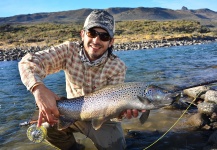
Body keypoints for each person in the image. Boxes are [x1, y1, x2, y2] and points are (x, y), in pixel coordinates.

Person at [19, 10, 142, 150]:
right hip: (69, 112)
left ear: (111, 42)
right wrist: (38, 88)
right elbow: (28, 62)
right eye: (92, 33)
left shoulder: (117, 66)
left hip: (103, 118)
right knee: (46, 127)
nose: (96, 40)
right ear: (83, 34)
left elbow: (115, 106)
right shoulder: (68, 51)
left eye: (104, 36)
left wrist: (123, 111)